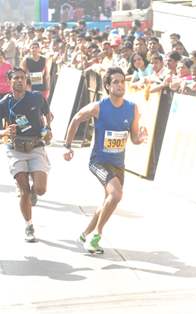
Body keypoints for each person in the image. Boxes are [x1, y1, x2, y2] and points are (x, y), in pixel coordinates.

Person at [63, 67, 148, 254]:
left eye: (122, 81)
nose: (120, 85)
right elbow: (77, 118)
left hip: (118, 164)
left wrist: (140, 138)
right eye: (115, 82)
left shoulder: (132, 108)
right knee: (116, 195)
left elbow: (133, 138)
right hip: (99, 162)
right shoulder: (99, 106)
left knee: (108, 201)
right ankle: (97, 236)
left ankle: (84, 234)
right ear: (108, 86)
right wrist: (67, 146)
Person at [0, 67, 52, 242]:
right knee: (24, 191)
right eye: (16, 78)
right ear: (10, 81)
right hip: (15, 149)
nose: (19, 81)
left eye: (22, 78)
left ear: (26, 80)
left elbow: (48, 113)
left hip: (36, 146)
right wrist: (5, 131)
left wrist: (48, 129)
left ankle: (33, 190)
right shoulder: (4, 103)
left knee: (40, 189)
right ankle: (29, 225)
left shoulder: (37, 98)